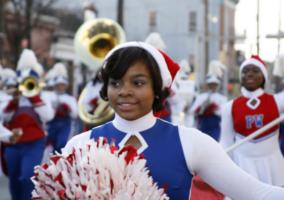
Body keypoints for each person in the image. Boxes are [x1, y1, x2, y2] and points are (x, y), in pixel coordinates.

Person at [62, 42, 284, 199]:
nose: (124, 91)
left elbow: (255, 193)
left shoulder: (190, 143)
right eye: (116, 83)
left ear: (158, 89)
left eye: (138, 83)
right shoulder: (79, 145)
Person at [220, 55, 284, 187]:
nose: (249, 74)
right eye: (245, 71)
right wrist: (226, 168)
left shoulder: (277, 101)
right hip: (243, 164)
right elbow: (226, 141)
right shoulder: (229, 107)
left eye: (255, 71)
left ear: (263, 76)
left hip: (272, 165)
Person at [2, 49, 54, 200]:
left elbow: (48, 116)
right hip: (13, 144)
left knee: (27, 178)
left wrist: (34, 97)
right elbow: (4, 116)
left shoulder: (42, 97)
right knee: (14, 180)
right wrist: (14, 100)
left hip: (34, 144)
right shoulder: (11, 96)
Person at [46, 62, 78, 153]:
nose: (60, 87)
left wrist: (68, 109)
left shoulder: (70, 99)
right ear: (55, 85)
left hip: (65, 125)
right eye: (59, 84)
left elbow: (75, 114)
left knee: (62, 145)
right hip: (51, 124)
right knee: (48, 147)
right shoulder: (49, 96)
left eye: (62, 85)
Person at [189, 74, 227, 141]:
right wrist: (201, 108)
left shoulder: (222, 98)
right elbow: (192, 110)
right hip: (203, 124)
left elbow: (224, 113)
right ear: (208, 85)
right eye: (211, 84)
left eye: (214, 84)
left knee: (214, 143)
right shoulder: (201, 97)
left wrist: (213, 109)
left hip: (215, 125)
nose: (212, 86)